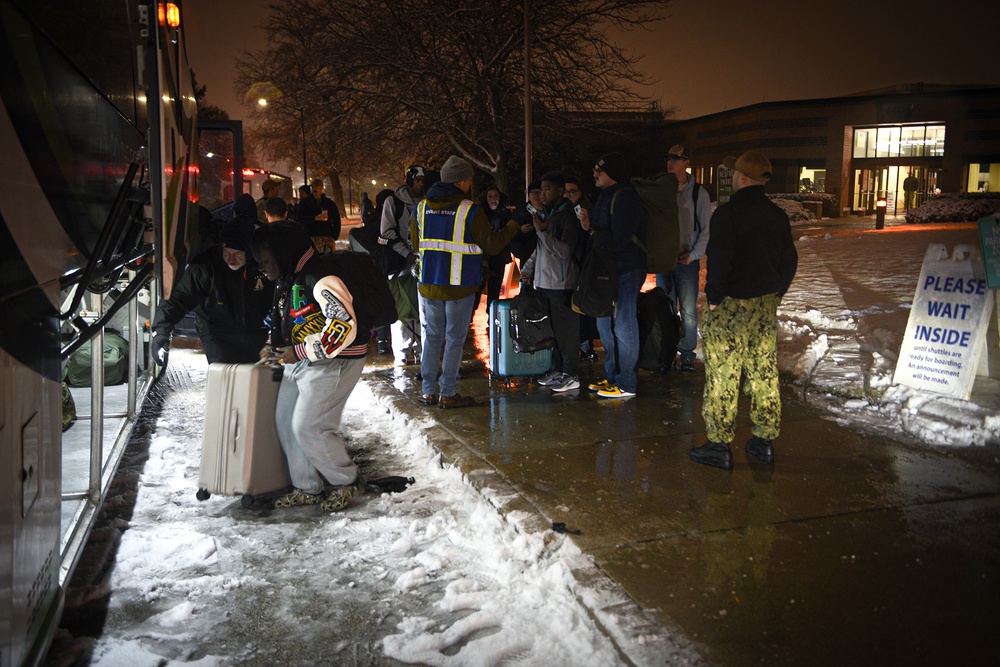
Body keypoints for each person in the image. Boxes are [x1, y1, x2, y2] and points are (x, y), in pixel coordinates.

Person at [690, 150, 798, 470]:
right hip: (764, 304)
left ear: (741, 177)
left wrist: (713, 298)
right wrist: (776, 294)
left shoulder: (728, 214)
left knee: (724, 372)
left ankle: (719, 444)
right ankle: (763, 441)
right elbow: (789, 260)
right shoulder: (776, 215)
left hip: (731, 305)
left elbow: (720, 261)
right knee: (763, 371)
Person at [251, 222, 370, 511]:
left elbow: (344, 325)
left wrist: (302, 350)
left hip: (336, 360)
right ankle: (306, 485)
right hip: (301, 358)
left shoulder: (321, 276)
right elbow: (285, 317)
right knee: (287, 423)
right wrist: (273, 342)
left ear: (283, 253)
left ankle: (345, 481)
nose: (263, 268)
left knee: (309, 426)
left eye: (266, 261)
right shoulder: (290, 276)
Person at [411, 155, 521, 408]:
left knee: (432, 337)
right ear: (460, 181)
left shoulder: (421, 207)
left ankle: (428, 391)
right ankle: (448, 393)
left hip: (428, 284)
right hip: (459, 286)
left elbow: (417, 244)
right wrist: (515, 224)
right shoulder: (469, 210)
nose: (471, 183)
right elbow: (493, 245)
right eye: (469, 179)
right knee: (454, 339)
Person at [151, 217, 274, 365]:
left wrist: (276, 337)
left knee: (253, 379)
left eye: (238, 254)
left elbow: (279, 303)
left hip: (255, 335)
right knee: (225, 375)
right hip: (217, 334)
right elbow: (178, 298)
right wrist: (162, 331)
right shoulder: (206, 268)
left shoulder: (263, 268)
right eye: (227, 252)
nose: (231, 259)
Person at [578, 152, 647, 399]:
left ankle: (627, 382)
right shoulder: (605, 197)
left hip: (627, 268)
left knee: (624, 325)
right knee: (604, 323)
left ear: (613, 174)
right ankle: (611, 376)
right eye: (595, 169)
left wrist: (591, 230)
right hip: (609, 269)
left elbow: (619, 240)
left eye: (600, 170)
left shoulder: (625, 198)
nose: (595, 174)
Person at [521, 171, 581, 392]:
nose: (542, 193)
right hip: (545, 282)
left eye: (546, 189)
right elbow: (541, 250)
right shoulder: (550, 214)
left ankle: (571, 374)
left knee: (567, 332)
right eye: (540, 189)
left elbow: (564, 251)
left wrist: (543, 232)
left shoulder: (567, 216)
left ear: (559, 191)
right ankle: (559, 369)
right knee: (554, 331)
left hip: (562, 284)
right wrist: (527, 269)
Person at [658, 145, 713, 373]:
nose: (670, 163)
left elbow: (706, 231)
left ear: (686, 162)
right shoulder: (661, 190)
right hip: (664, 260)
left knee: (688, 309)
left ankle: (687, 353)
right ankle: (668, 351)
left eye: (675, 159)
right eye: (668, 159)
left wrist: (692, 255)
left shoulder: (698, 193)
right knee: (666, 307)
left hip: (686, 261)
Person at [381, 165, 426, 366]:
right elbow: (386, 233)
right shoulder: (393, 202)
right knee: (402, 312)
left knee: (422, 310)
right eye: (417, 180)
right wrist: (406, 253)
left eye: (423, 180)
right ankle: (402, 353)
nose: (421, 184)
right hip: (400, 266)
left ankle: (422, 352)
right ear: (408, 180)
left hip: (423, 265)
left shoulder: (427, 202)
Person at [564, 176, 599, 361]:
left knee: (583, 308)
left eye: (572, 192)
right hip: (566, 268)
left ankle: (585, 344)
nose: (568, 195)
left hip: (583, 267)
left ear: (579, 193)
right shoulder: (560, 210)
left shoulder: (587, 211)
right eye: (566, 191)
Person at [479, 184, 514, 310]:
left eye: (496, 196)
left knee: (495, 289)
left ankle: (492, 315)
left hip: (499, 256)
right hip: (483, 257)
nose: (493, 199)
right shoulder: (480, 213)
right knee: (479, 287)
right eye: (490, 196)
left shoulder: (505, 214)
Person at [509, 181, 543, 266]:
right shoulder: (521, 212)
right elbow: (511, 233)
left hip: (545, 255)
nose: (536, 196)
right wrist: (520, 230)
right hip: (527, 256)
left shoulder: (549, 211)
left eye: (538, 192)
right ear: (528, 195)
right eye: (532, 193)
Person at [311, 177, 343, 243]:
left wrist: (334, 235)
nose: (314, 189)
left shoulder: (329, 203)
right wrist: (314, 218)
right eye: (313, 187)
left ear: (322, 188)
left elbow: (336, 220)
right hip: (311, 236)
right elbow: (301, 217)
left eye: (316, 187)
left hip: (326, 237)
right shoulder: (306, 203)